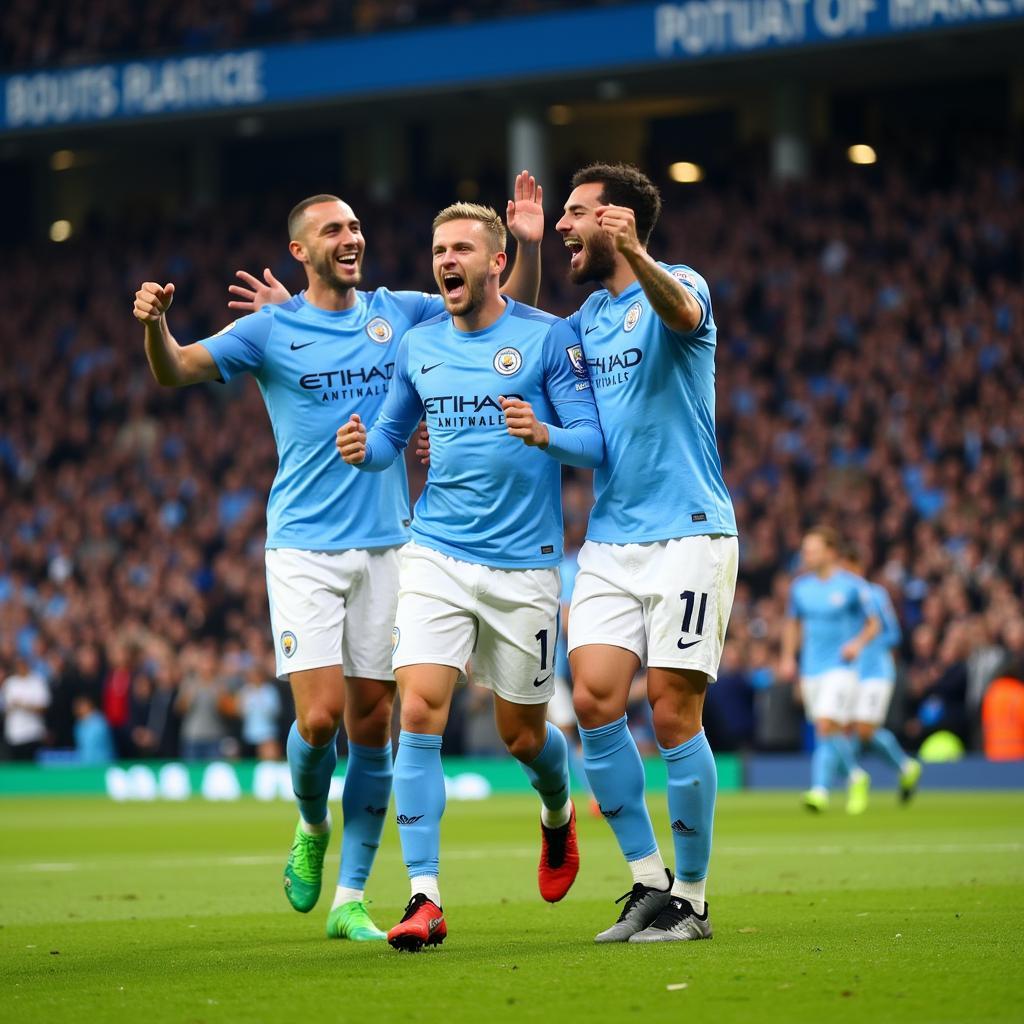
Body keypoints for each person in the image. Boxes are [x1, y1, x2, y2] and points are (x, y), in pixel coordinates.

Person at [133, 177, 544, 942]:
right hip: (303, 549)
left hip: (393, 547)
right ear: (300, 251)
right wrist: (156, 327)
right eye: (333, 231)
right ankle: (310, 822)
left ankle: (350, 898)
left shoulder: (404, 312)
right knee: (318, 721)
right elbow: (176, 369)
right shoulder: (270, 331)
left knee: (373, 726)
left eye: (355, 227)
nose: (351, 238)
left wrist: (523, 245)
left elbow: (500, 311)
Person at [336, 201, 603, 952]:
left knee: (522, 734)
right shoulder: (418, 347)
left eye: (460, 248)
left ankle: (557, 809)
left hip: (524, 569)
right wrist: (367, 451)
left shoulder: (549, 339)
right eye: (436, 249)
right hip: (436, 554)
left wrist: (544, 432)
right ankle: (425, 898)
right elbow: (392, 435)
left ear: (496, 261)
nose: (445, 260)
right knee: (417, 711)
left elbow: (593, 443)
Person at [553, 163, 738, 944]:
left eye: (575, 212)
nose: (565, 224)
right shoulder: (585, 320)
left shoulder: (678, 281)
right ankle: (646, 879)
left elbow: (685, 312)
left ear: (617, 221)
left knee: (670, 712)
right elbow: (516, 343)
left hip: (691, 532)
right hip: (611, 538)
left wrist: (645, 257)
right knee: (594, 700)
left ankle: (691, 899)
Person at [779, 527, 880, 814]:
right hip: (811, 669)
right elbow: (792, 624)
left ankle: (822, 789)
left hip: (841, 668)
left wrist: (858, 644)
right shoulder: (800, 588)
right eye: (805, 549)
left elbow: (874, 623)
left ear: (831, 552)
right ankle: (853, 777)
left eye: (812, 549)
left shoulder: (852, 586)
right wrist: (788, 657)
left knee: (825, 724)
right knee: (827, 731)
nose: (806, 554)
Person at [844, 552, 922, 802]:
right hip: (850, 673)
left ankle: (897, 767)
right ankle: (900, 769)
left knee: (865, 729)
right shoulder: (841, 599)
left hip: (876, 671)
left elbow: (894, 634)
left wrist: (866, 645)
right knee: (847, 729)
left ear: (858, 567)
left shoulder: (874, 594)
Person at [1, 656, 50, 761]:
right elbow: (6, 708)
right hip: (14, 735)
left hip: (33, 733)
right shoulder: (10, 683)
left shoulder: (37, 681)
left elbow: (43, 707)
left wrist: (22, 705)